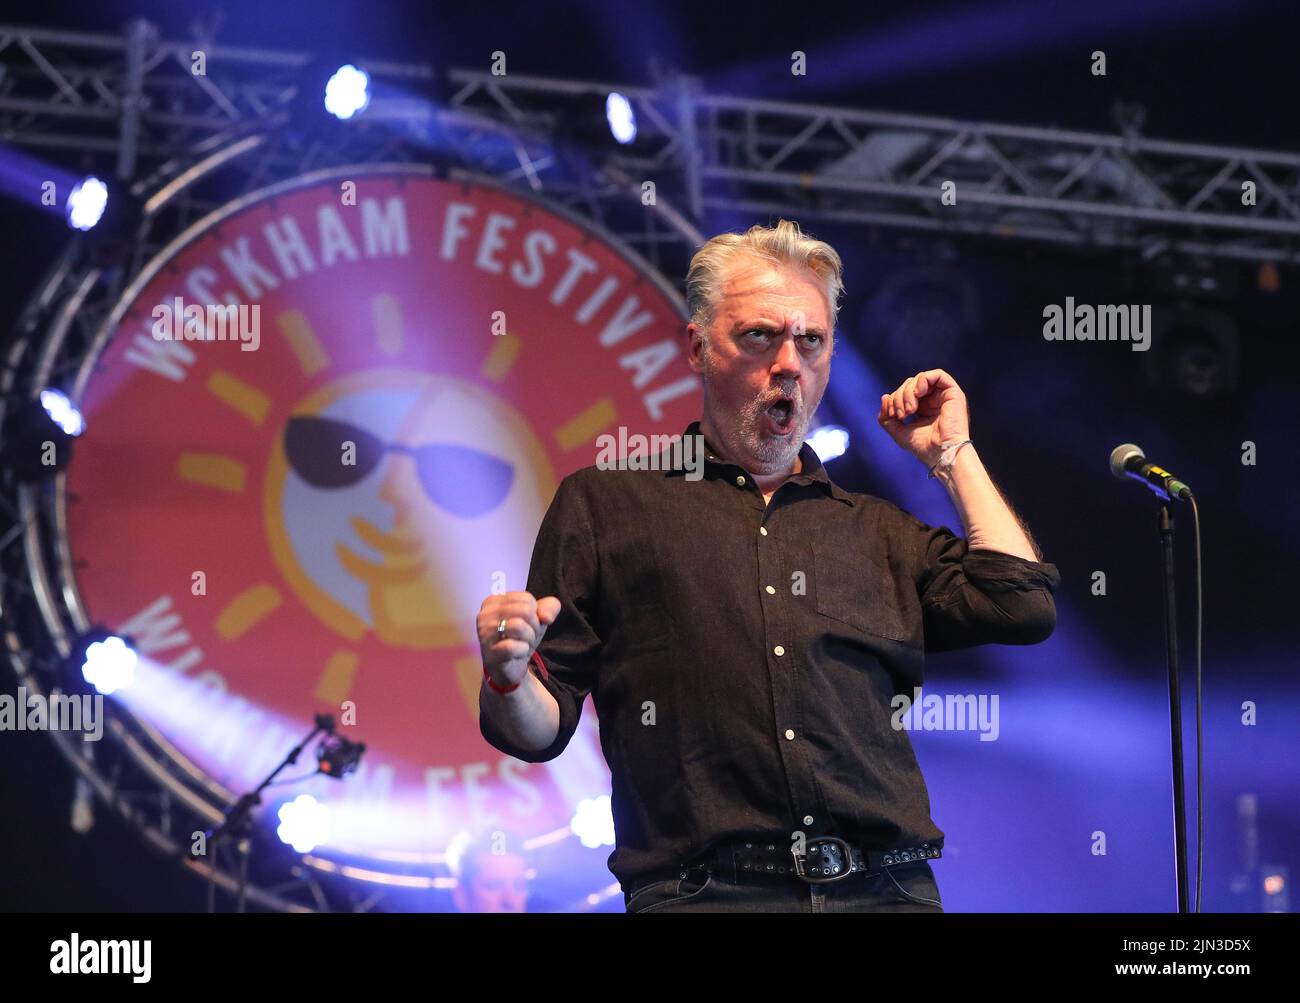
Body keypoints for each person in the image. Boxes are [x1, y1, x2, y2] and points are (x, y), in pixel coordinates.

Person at [476, 219, 1060, 913]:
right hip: (707, 892)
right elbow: (542, 730)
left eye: (809, 340)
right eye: (760, 335)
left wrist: (951, 456)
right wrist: (508, 677)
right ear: (698, 347)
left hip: (887, 889)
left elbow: (1021, 603)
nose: (789, 361)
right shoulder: (607, 506)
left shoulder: (877, 533)